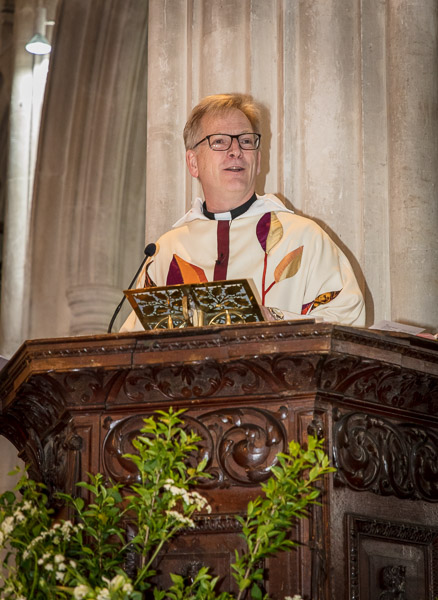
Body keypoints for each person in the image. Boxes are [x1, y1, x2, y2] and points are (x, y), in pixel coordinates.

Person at [121, 93, 365, 332]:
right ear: (193, 163)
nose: (236, 150)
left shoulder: (303, 239)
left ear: (257, 161)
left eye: (246, 141)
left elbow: (348, 321)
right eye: (219, 141)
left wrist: (275, 320)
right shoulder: (167, 252)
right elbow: (133, 341)